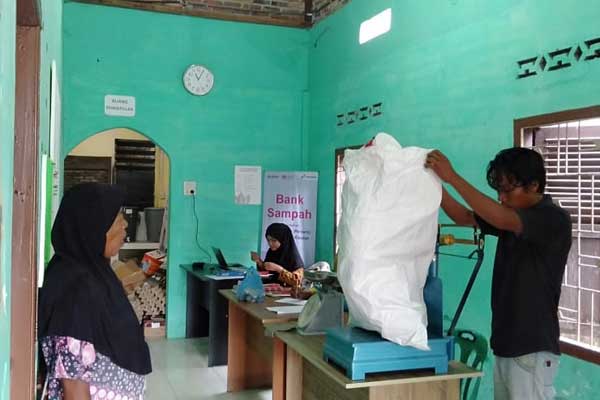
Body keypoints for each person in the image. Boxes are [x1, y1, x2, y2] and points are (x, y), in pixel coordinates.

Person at [425, 147, 571, 400]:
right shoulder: (513, 219)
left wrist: (453, 177)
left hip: (531, 348)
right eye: (498, 190)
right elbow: (464, 216)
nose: (502, 197)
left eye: (507, 190)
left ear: (534, 185)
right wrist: (432, 183)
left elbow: (503, 218)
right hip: (506, 345)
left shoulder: (552, 218)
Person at [38, 183, 152, 400]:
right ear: (93, 224)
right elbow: (73, 384)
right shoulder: (74, 289)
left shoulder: (91, 271)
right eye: (116, 215)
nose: (125, 223)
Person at [251, 222, 304, 288]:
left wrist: (279, 269)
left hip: (288, 296)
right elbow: (267, 273)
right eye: (268, 240)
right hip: (270, 292)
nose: (270, 243)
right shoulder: (272, 252)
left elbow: (297, 281)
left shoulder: (294, 257)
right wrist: (259, 261)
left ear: (283, 240)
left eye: (274, 240)